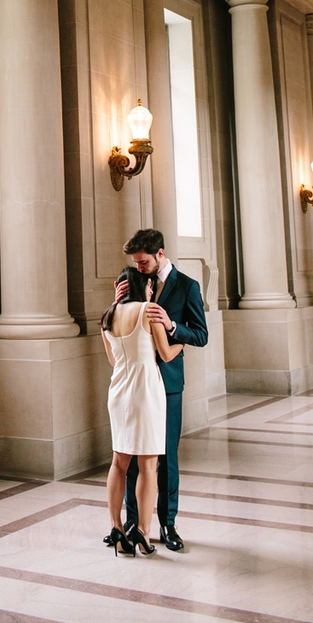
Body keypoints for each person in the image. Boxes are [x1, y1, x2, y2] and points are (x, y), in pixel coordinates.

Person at [105, 228, 208, 551]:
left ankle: (168, 524)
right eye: (135, 263)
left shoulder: (187, 286)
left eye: (144, 261)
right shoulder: (136, 289)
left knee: (166, 459)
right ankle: (134, 524)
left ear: (160, 254)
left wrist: (172, 325)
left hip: (167, 384)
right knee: (135, 459)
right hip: (138, 384)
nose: (139, 267)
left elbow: (201, 335)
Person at [101, 267, 183, 556]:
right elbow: (165, 353)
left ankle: (117, 528)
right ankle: (144, 534)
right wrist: (182, 338)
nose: (152, 291)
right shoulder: (149, 310)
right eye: (150, 287)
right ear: (144, 286)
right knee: (148, 465)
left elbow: (113, 360)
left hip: (118, 391)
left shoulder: (108, 316)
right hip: (145, 391)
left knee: (119, 463)